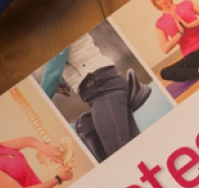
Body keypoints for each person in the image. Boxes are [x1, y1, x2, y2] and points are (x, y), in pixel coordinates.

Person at [41, 33, 146, 161]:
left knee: (119, 158)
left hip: (102, 89)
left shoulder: (51, 31)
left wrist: (38, 101)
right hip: (98, 88)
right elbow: (65, 66)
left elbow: (53, 73)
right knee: (135, 153)